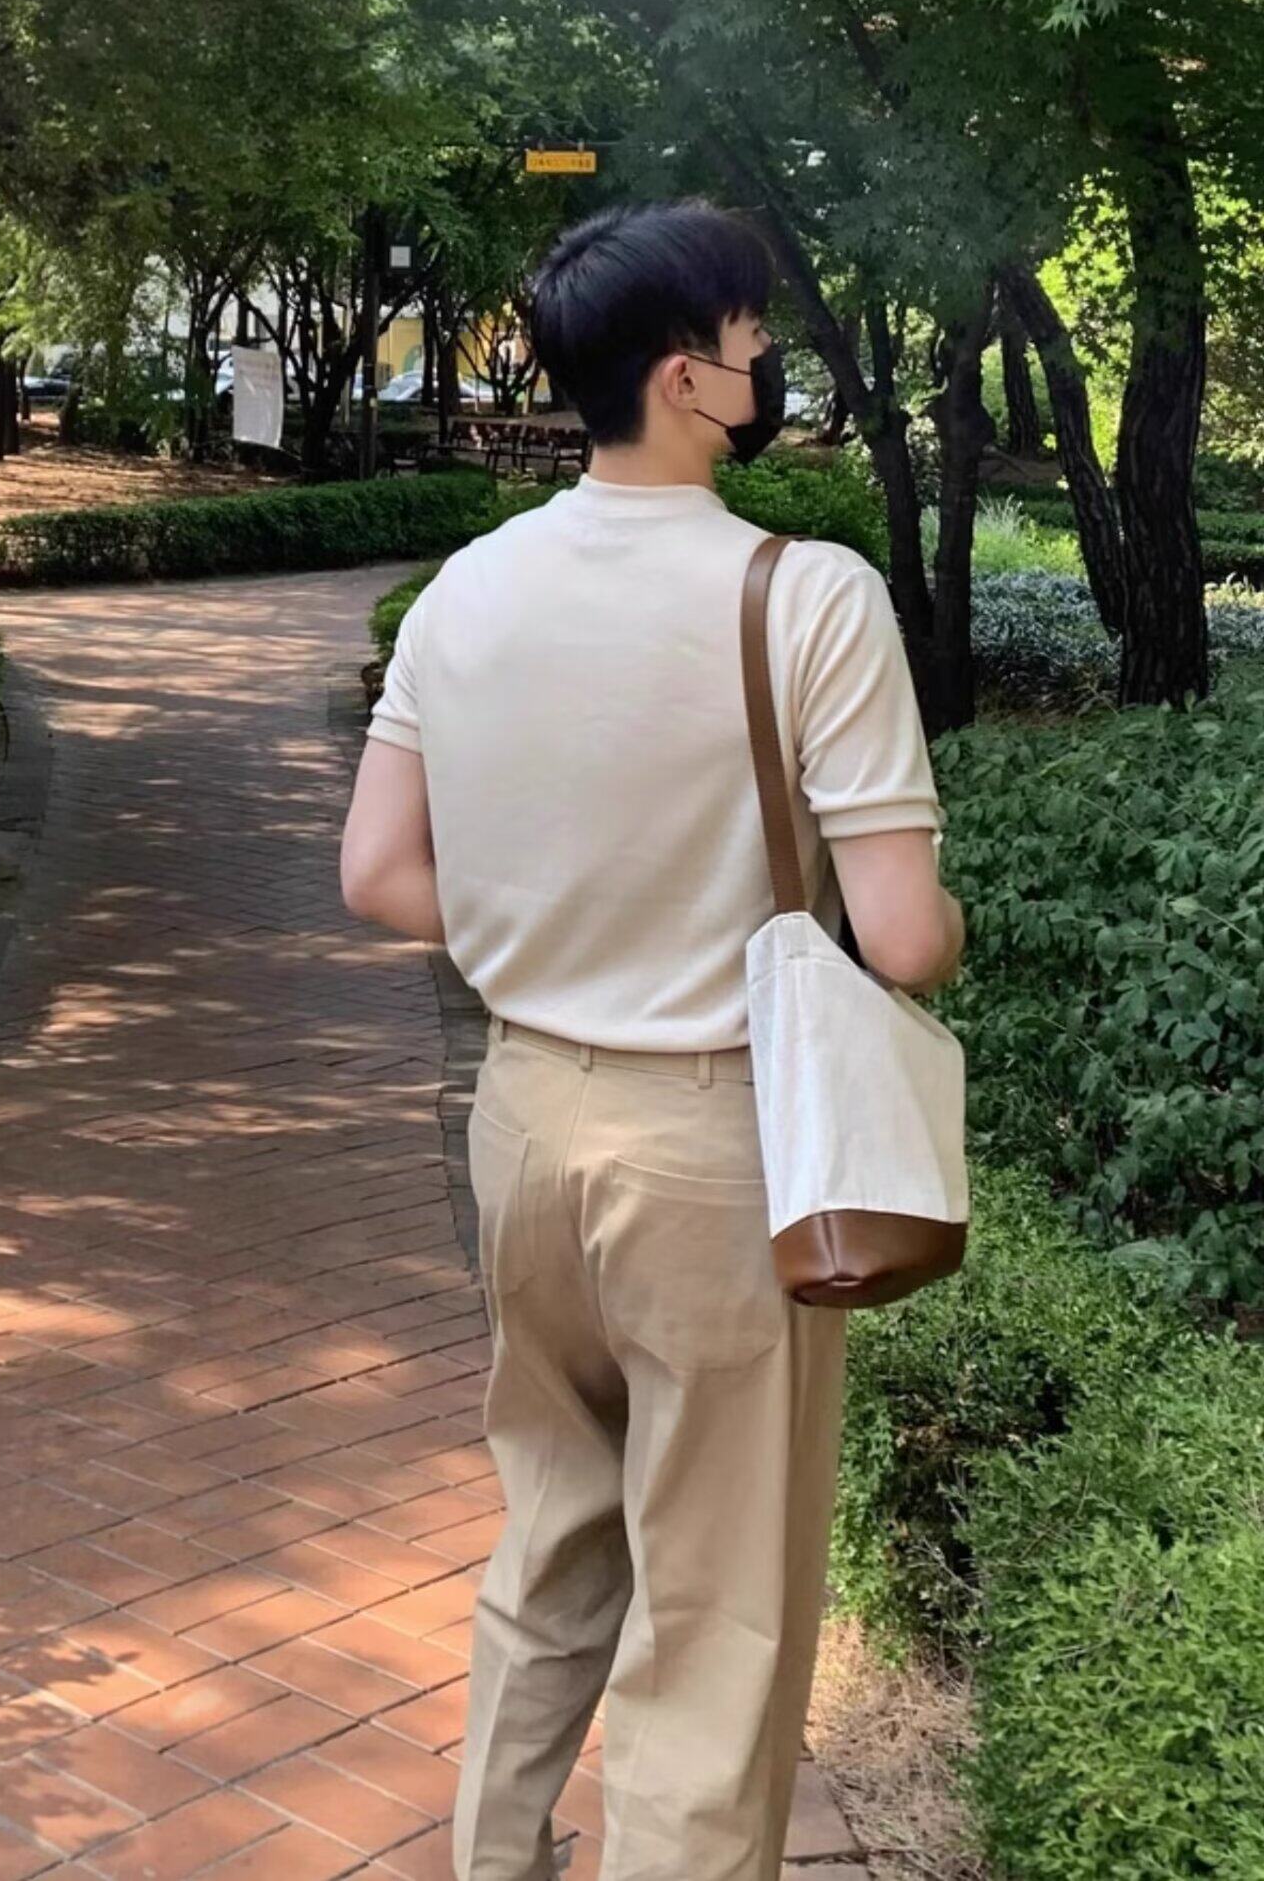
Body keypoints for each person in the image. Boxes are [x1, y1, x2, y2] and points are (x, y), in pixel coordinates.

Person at [340, 199, 965, 1881]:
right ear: (686, 377)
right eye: (754, 338)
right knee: (716, 1621)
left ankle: (495, 1860)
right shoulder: (808, 595)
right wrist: (943, 922)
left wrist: (551, 933)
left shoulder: (465, 589)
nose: (771, 362)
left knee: (552, 1536)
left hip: (523, 1120)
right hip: (717, 1151)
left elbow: (377, 872)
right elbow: (905, 937)